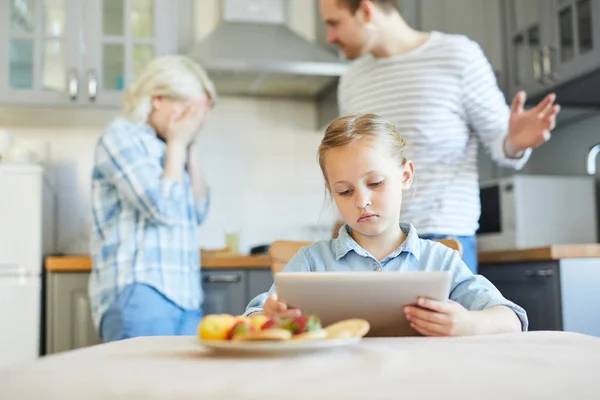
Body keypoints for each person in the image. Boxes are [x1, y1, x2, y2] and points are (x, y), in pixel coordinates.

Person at [319, 0, 561, 273]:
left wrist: (514, 142)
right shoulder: (351, 79)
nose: (330, 37)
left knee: (445, 317)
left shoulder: (457, 55)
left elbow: (500, 142)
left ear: (365, 10)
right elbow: (350, 163)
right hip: (368, 240)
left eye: (334, 23)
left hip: (441, 235)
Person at [245, 113, 527, 337]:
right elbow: (251, 319)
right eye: (344, 191)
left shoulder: (439, 260)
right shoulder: (311, 262)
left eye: (375, 183)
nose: (362, 201)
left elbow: (511, 319)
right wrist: (269, 318)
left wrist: (467, 324)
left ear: (405, 176)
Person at [89, 55, 217, 341]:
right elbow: (160, 207)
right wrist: (178, 143)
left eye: (199, 115)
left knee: (177, 387)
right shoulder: (122, 136)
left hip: (186, 298)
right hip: (141, 292)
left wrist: (190, 147)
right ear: (158, 99)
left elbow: (199, 210)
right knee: (137, 386)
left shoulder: (175, 147)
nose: (193, 121)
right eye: (188, 110)